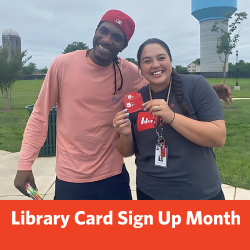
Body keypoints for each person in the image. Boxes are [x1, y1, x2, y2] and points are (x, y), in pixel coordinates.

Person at [14, 10, 231, 200]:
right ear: (96, 30)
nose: (107, 40)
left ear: (124, 45)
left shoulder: (129, 72)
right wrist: (24, 164)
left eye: (116, 37)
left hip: (113, 176)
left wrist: (209, 91)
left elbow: (163, 81)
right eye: (104, 31)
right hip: (71, 177)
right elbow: (40, 116)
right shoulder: (62, 65)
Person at [114, 38, 227, 200]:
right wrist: (125, 134)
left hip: (201, 194)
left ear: (170, 60)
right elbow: (126, 151)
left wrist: (172, 117)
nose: (155, 65)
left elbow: (219, 137)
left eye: (161, 58)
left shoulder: (196, 85)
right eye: (147, 61)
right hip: (151, 194)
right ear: (140, 68)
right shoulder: (136, 99)